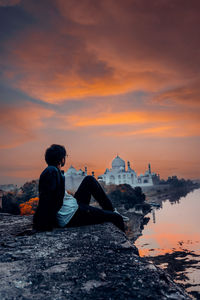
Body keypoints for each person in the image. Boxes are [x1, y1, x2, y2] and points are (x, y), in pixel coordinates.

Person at [33, 144, 127, 232]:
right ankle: (126, 244)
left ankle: (112, 210)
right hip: (72, 215)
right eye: (65, 156)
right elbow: (46, 199)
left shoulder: (53, 171)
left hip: (74, 206)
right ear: (61, 159)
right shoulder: (51, 172)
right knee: (117, 218)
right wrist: (42, 225)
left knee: (89, 179)